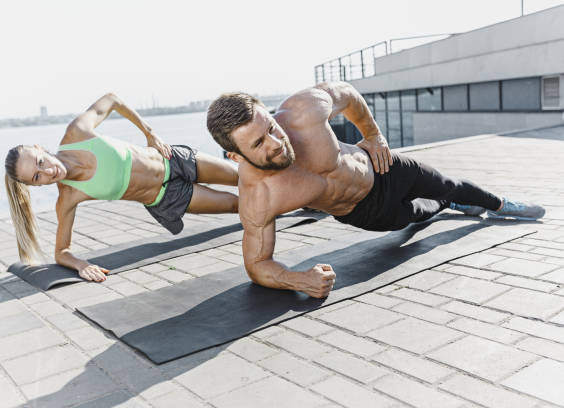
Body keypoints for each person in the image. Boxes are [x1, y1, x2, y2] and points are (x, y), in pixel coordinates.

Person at [206, 81, 545, 298]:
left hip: (382, 167)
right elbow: (257, 263)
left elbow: (349, 95)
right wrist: (299, 280)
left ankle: (500, 205)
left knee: (447, 183)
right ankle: (447, 205)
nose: (277, 143)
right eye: (260, 143)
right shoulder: (259, 195)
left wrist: (373, 134)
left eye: (272, 128)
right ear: (235, 156)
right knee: (418, 215)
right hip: (364, 212)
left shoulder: (303, 111)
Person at [5, 93, 238, 282]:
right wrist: (81, 265)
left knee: (243, 176)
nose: (48, 172)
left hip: (173, 158)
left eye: (40, 162)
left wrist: (150, 132)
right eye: (37, 177)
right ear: (36, 186)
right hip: (170, 197)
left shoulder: (77, 132)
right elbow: (61, 252)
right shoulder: (68, 197)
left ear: (40, 148)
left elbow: (112, 99)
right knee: (239, 205)